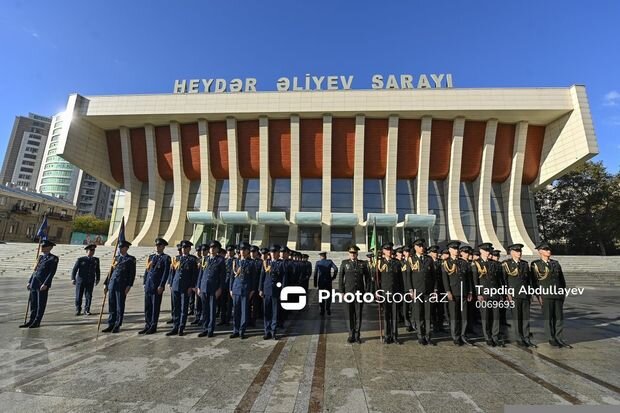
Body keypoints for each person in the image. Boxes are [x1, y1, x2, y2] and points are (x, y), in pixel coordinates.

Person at [531, 242, 571, 348]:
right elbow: (534, 282)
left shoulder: (555, 263)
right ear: (540, 251)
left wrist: (562, 292)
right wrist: (538, 295)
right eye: (545, 249)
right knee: (548, 317)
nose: (548, 251)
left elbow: (561, 280)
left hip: (557, 294)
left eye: (549, 249)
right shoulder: (536, 265)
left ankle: (559, 337)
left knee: (558, 317)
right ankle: (551, 338)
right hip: (546, 295)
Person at [502, 243, 536, 347]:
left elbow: (529, 280)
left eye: (520, 251)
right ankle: (519, 338)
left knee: (525, 317)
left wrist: (531, 293)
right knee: (517, 317)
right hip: (514, 295)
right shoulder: (506, 264)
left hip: (525, 294)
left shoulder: (525, 264)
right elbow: (504, 280)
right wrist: (507, 293)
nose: (519, 253)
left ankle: (526, 337)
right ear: (511, 252)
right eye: (517, 251)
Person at [20, 240, 58, 329]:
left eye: (44, 246)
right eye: (41, 246)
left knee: (40, 303)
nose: (41, 248)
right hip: (34, 282)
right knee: (33, 303)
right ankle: (31, 320)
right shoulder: (40, 257)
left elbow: (51, 273)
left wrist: (46, 284)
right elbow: (35, 271)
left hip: (42, 284)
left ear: (49, 247)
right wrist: (30, 281)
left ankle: (37, 321)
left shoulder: (53, 258)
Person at [442, 241, 474, 346]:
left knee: (464, 315)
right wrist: (448, 291)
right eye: (454, 249)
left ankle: (463, 335)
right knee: (455, 316)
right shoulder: (446, 263)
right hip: (453, 292)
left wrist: (469, 291)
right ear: (450, 250)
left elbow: (468, 278)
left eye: (457, 249)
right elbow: (445, 279)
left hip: (463, 292)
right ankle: (456, 337)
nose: (456, 250)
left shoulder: (463, 262)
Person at [406, 239, 437, 345]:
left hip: (428, 291)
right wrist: (410, 290)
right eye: (419, 246)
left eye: (422, 246)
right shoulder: (410, 259)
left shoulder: (429, 259)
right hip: (416, 291)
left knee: (428, 314)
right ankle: (420, 335)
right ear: (415, 247)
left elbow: (434, 276)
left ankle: (428, 335)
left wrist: (435, 289)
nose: (421, 248)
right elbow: (408, 276)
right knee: (419, 313)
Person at [339, 245, 371, 344]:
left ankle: (357, 335)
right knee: (349, 314)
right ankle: (350, 334)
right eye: (351, 253)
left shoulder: (363, 264)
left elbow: (368, 278)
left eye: (354, 253)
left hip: (360, 293)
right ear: (349, 254)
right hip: (348, 293)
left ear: (357, 254)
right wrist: (341, 291)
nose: (353, 255)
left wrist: (367, 291)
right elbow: (341, 278)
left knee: (358, 314)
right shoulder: (344, 263)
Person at [473, 243, 504, 347]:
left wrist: (500, 292)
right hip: (484, 294)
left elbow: (499, 280)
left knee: (496, 316)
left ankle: (495, 336)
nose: (488, 252)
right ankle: (487, 336)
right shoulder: (476, 264)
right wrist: (478, 294)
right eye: (485, 250)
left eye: (489, 251)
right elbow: (475, 281)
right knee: (485, 316)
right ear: (481, 251)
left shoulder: (494, 263)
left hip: (494, 293)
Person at [102, 240, 136, 333]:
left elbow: (132, 274)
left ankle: (117, 324)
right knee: (111, 305)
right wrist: (106, 283)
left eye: (121, 247)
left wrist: (129, 285)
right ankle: (111, 323)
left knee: (119, 306)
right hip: (112, 284)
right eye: (119, 247)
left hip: (122, 285)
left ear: (126, 248)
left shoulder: (130, 259)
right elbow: (111, 272)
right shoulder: (116, 258)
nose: (120, 249)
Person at [166, 240, 199, 336]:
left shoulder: (193, 260)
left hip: (185, 287)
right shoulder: (176, 259)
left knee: (183, 308)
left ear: (189, 249)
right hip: (175, 286)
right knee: (176, 307)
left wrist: (191, 286)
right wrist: (171, 283)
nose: (183, 250)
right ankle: (175, 327)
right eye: (182, 248)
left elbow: (194, 275)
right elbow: (172, 272)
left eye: (186, 248)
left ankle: (181, 327)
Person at [139, 238, 171, 335]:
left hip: (157, 286)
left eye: (159, 245)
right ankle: (147, 325)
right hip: (148, 285)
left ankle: (153, 326)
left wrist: (161, 285)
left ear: (163, 247)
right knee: (147, 307)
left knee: (155, 307)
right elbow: (147, 270)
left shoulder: (166, 258)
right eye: (156, 245)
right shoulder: (151, 257)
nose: (157, 247)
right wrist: (144, 282)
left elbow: (165, 273)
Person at [197, 240, 226, 337]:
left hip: (214, 288)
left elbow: (222, 277)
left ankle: (210, 329)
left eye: (214, 248)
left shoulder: (220, 260)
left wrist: (220, 289)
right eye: (211, 247)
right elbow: (200, 274)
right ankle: (204, 328)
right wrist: (198, 286)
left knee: (212, 310)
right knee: (205, 309)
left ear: (217, 249)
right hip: (204, 287)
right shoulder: (205, 259)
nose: (212, 249)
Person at [259, 245, 286, 340]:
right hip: (266, 290)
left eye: (275, 252)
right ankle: (267, 331)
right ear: (269, 254)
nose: (273, 254)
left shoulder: (281, 264)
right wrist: (260, 289)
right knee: (267, 312)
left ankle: (273, 331)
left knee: (275, 312)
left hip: (276, 290)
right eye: (272, 252)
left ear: (278, 253)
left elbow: (283, 278)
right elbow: (262, 277)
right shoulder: (266, 263)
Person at [230, 242, 256, 339]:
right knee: (236, 311)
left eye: (244, 250)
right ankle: (235, 330)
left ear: (248, 251)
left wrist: (252, 290)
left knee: (244, 311)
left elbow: (253, 278)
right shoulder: (236, 261)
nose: (242, 251)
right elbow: (232, 277)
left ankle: (242, 330)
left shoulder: (251, 262)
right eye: (241, 250)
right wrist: (231, 289)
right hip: (236, 288)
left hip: (246, 289)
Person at [71, 244, 100, 316]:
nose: (92, 252)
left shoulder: (96, 260)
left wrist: (98, 278)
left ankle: (87, 309)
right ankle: (78, 309)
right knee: (79, 295)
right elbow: (75, 269)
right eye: (91, 250)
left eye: (94, 250)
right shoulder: (81, 259)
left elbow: (97, 270)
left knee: (89, 296)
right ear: (87, 251)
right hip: (81, 280)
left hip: (90, 280)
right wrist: (73, 278)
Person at [314, 252, 338, 316]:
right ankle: (328, 308)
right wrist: (333, 277)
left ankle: (322, 310)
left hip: (321, 282)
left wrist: (315, 283)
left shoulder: (318, 263)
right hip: (328, 281)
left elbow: (315, 273)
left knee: (321, 296)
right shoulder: (329, 262)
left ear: (321, 256)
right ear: (325, 256)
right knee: (329, 296)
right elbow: (336, 269)